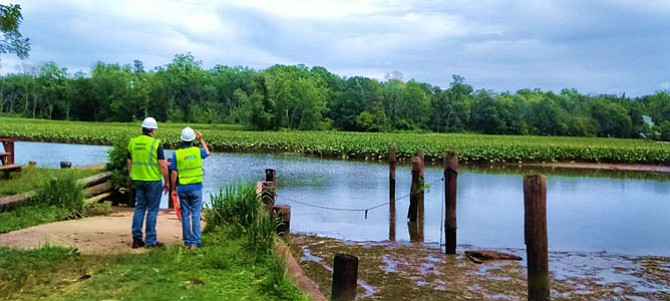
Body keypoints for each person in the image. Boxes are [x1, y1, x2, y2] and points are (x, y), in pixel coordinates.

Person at [127, 117, 169, 249]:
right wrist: (167, 180)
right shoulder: (156, 144)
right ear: (152, 130)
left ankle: (137, 239)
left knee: (139, 208)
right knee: (152, 210)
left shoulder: (133, 142)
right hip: (152, 180)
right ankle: (151, 240)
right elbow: (162, 165)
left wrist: (132, 175)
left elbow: (129, 162)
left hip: (138, 179)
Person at [171, 127, 210, 250]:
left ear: (182, 139)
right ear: (193, 139)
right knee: (195, 214)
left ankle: (187, 241)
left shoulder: (177, 154)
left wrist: (173, 188)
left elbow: (174, 173)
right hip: (196, 188)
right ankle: (196, 242)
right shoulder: (197, 151)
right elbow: (207, 152)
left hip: (182, 188)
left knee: (185, 215)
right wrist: (201, 139)